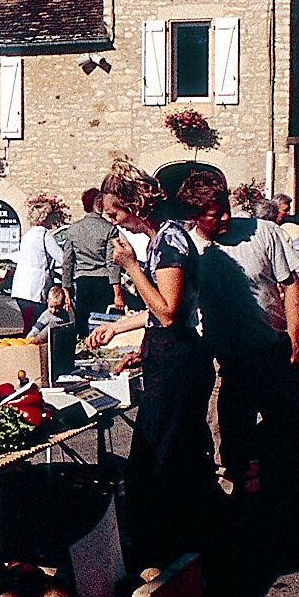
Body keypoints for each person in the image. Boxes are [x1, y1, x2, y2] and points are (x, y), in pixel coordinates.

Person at [173, 170, 299, 563]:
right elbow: (174, 305)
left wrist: (296, 338)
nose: (222, 219)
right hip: (226, 365)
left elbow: (291, 286)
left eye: (224, 209)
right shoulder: (188, 248)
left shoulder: (264, 233)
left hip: (274, 355)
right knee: (230, 454)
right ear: (194, 217)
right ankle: (242, 538)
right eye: (211, 214)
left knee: (294, 447)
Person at [86, 163, 213, 568]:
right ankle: (190, 545)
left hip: (178, 360)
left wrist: (130, 267)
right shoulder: (165, 238)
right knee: (179, 455)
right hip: (171, 355)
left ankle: (164, 553)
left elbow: (170, 312)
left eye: (114, 212)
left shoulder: (168, 241)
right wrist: (134, 339)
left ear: (135, 203)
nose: (112, 220)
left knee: (153, 461)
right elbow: (160, 314)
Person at [57, 188, 124, 337]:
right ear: (99, 204)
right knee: (103, 322)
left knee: (82, 323)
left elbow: (67, 262)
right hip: (103, 281)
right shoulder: (109, 229)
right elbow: (112, 263)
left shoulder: (73, 230)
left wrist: (66, 287)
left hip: (83, 282)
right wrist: (117, 293)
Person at [10, 205, 65, 331]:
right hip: (35, 290)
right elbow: (61, 258)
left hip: (21, 288)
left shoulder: (27, 236)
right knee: (36, 326)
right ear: (45, 218)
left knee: (28, 324)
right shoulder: (45, 236)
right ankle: (32, 349)